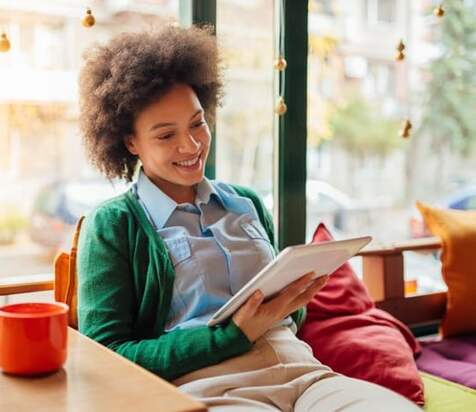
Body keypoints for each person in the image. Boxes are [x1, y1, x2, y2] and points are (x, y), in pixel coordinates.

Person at [76, 26, 419, 411]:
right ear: (130, 142)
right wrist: (233, 335)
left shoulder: (246, 203)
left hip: (306, 374)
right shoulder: (113, 224)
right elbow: (107, 355)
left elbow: (287, 315)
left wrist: (293, 298)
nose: (190, 145)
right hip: (210, 387)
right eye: (165, 135)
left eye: (196, 123)